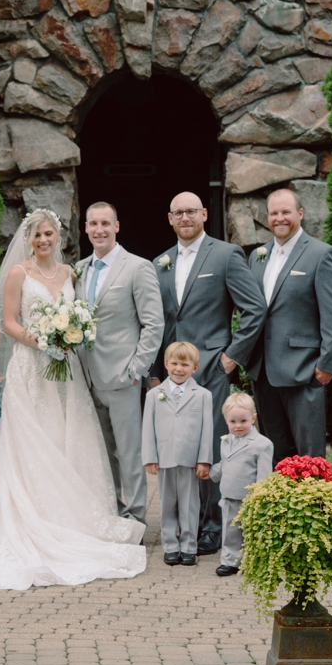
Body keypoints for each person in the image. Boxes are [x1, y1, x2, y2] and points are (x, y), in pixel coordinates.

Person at [0, 208, 147, 590]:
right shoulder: (19, 274)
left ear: (58, 237)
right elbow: (7, 322)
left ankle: (71, 519)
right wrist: (43, 342)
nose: (43, 240)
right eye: (37, 235)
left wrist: (71, 336)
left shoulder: (72, 274)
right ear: (28, 239)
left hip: (66, 372)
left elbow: (81, 315)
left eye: (49, 234)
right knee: (31, 439)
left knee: (69, 436)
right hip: (30, 367)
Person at [153, 191, 266, 556]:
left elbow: (254, 309)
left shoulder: (226, 254)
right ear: (169, 219)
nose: (185, 217)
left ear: (203, 214)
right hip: (173, 376)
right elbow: (159, 325)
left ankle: (215, 526)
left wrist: (231, 357)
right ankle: (189, 523)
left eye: (191, 211)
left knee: (214, 449)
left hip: (213, 368)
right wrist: (157, 374)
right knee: (181, 449)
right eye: (178, 213)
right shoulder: (161, 263)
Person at [75, 202, 164, 525]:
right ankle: (113, 513)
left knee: (129, 454)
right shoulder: (79, 269)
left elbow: (153, 324)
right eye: (93, 223)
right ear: (85, 228)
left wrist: (136, 369)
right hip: (86, 376)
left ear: (117, 226)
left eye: (105, 223)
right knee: (101, 453)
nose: (99, 229)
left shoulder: (137, 267)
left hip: (123, 376)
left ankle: (137, 519)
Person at [245, 188, 332, 463]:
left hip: (304, 369)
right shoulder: (257, 256)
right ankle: (280, 505)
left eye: (286, 212)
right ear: (267, 217)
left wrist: (326, 364)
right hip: (263, 370)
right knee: (274, 453)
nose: (280, 218)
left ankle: (312, 505)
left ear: (300, 214)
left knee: (308, 455)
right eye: (274, 213)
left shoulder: (321, 254)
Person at [142, 341, 214, 567]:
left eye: (185, 364)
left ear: (195, 367)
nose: (178, 369)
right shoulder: (155, 395)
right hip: (164, 458)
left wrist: (204, 459)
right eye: (174, 363)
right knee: (167, 504)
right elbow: (147, 428)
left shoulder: (203, 395)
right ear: (165, 365)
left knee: (190, 504)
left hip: (190, 459)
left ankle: (189, 546)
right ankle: (170, 546)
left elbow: (207, 429)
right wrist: (150, 458)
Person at [209, 392, 274, 577]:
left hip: (249, 497)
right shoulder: (226, 441)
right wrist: (211, 472)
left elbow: (264, 474)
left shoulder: (262, 444)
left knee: (250, 530)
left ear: (253, 418)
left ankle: (253, 561)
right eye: (233, 422)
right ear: (226, 420)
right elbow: (225, 463)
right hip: (228, 495)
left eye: (243, 421)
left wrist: (260, 495)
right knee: (230, 530)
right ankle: (230, 561)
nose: (238, 426)